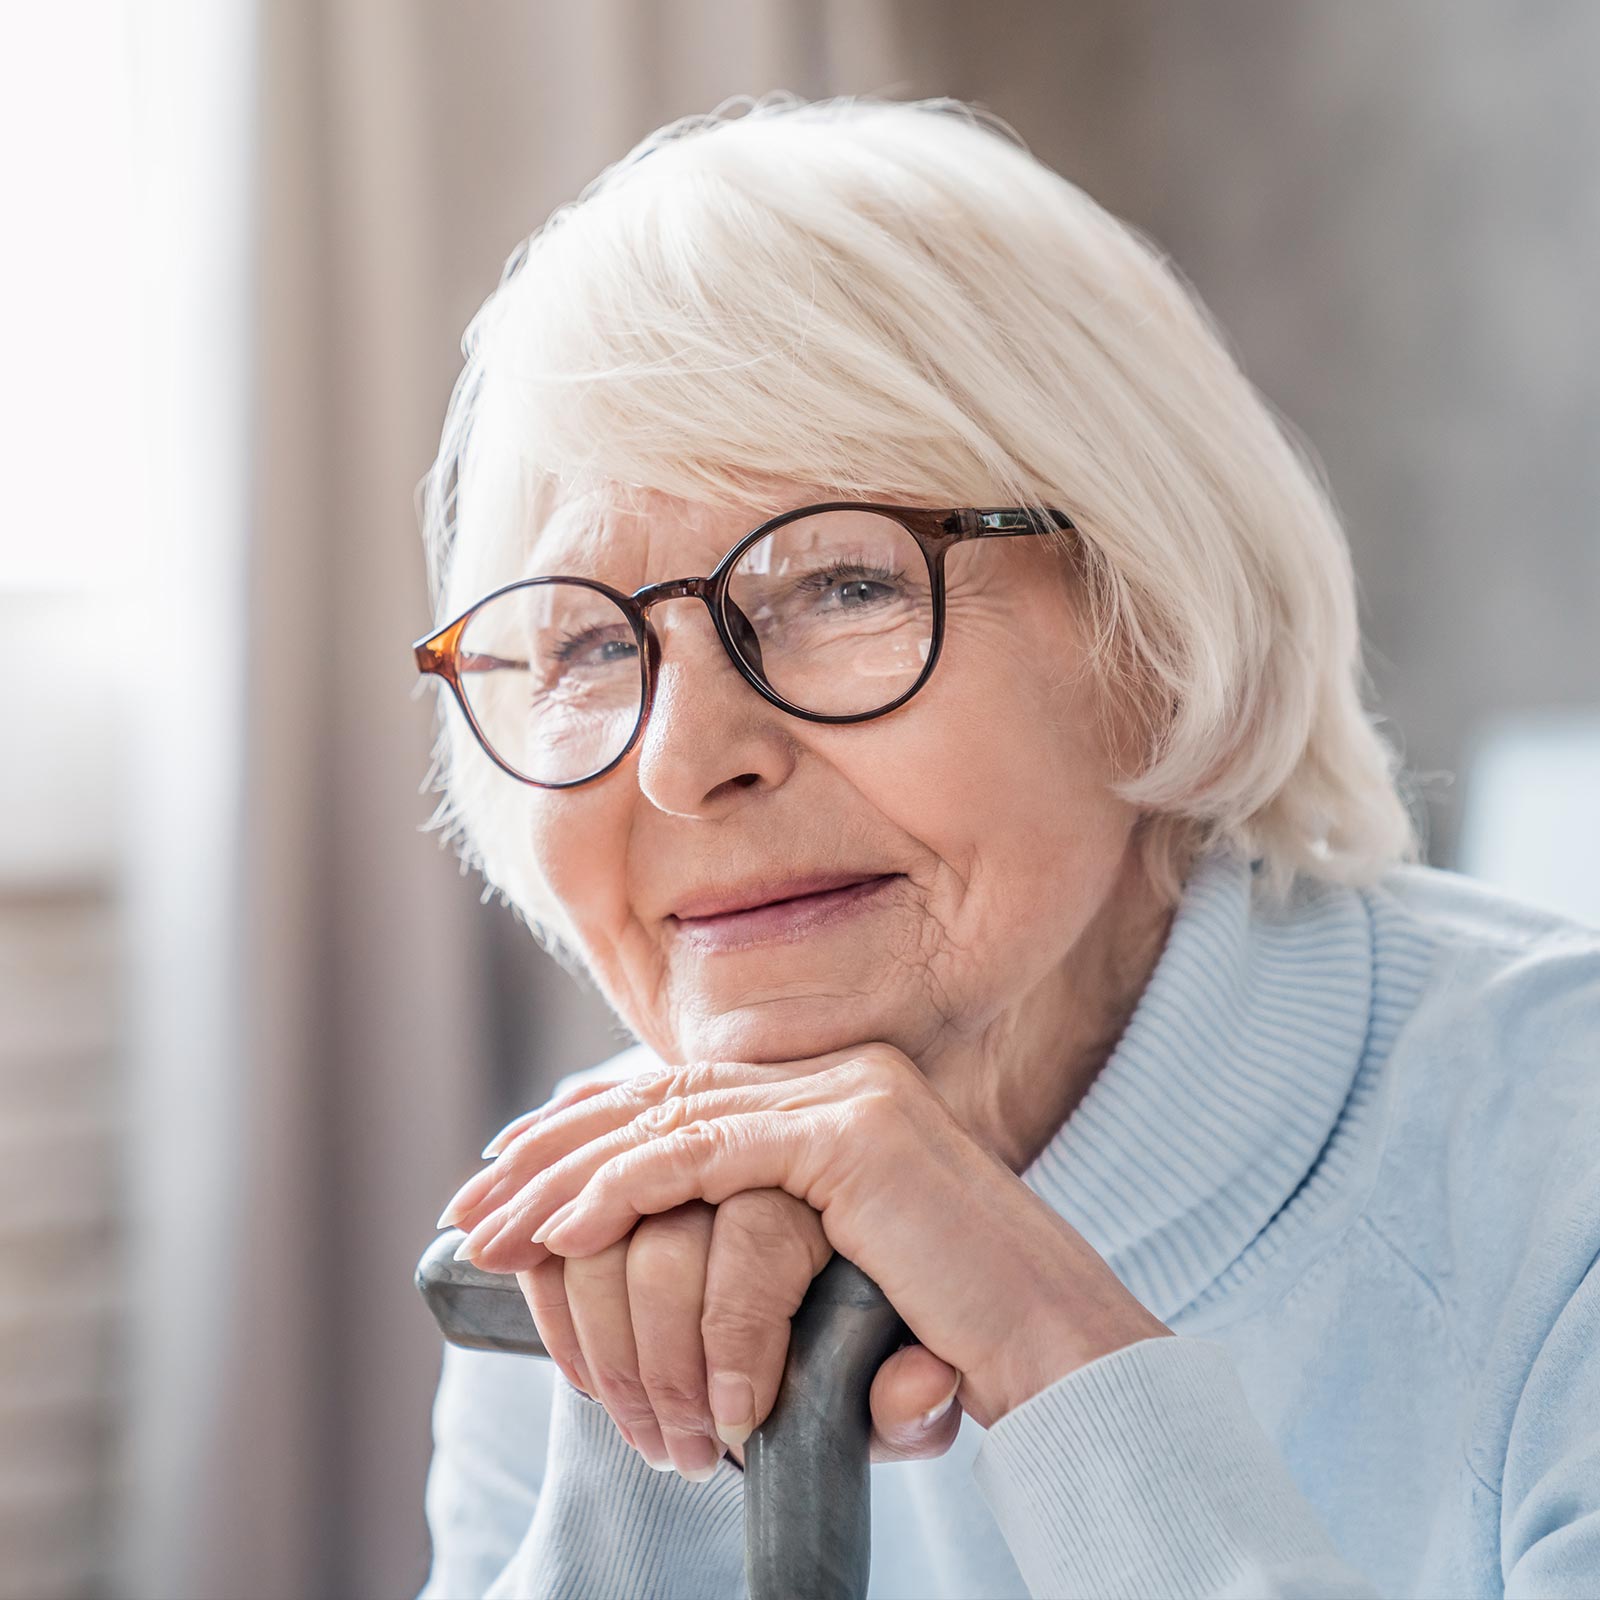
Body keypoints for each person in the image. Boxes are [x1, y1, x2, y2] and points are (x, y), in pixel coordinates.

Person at [410, 93, 1600, 1599]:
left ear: (1155, 627)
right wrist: (658, 1472)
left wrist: (1055, 1352)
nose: (689, 760)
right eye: (584, 642)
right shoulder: (587, 1242)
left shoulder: (1564, 1188)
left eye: (841, 584)